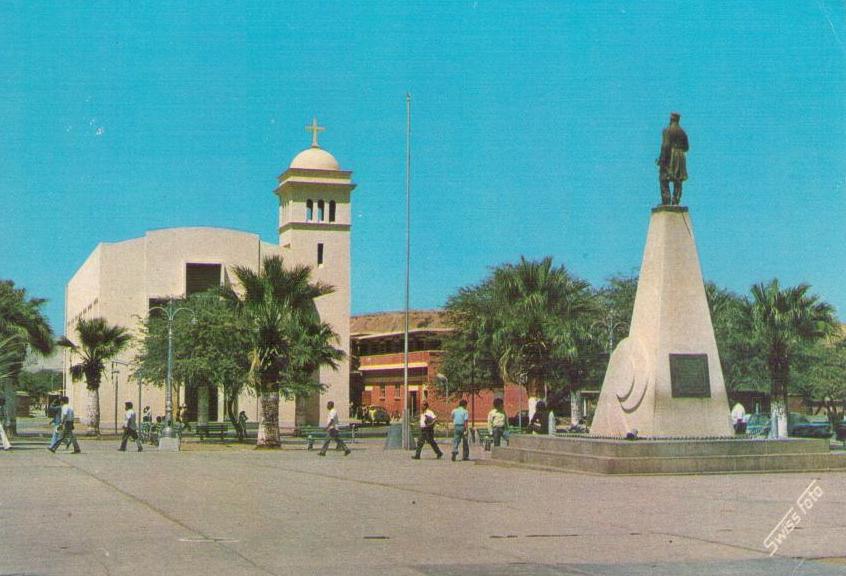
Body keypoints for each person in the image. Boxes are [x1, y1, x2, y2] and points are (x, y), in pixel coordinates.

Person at [657, 112, 689, 205]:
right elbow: (687, 147)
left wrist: (662, 159)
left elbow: (665, 146)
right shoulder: (683, 132)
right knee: (678, 180)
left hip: (670, 156)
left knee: (663, 177)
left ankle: (666, 201)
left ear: (671, 119)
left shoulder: (667, 130)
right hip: (681, 158)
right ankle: (676, 200)